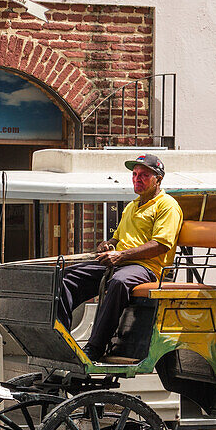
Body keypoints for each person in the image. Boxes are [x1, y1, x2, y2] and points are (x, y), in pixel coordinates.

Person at [57, 153, 184, 360]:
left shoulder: (167, 205)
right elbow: (116, 240)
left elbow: (160, 245)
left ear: (158, 179)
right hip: (122, 263)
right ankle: (62, 339)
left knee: (118, 282)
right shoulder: (132, 206)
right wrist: (108, 245)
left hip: (148, 269)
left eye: (143, 175)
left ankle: (95, 347)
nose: (137, 179)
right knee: (67, 276)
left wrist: (120, 255)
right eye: (134, 174)